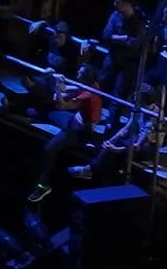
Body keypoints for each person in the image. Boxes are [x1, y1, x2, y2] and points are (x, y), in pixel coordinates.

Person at [26, 67, 107, 204]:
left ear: (86, 78)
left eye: (80, 73)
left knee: (49, 149)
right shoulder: (91, 85)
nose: (77, 73)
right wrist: (57, 79)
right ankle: (22, 109)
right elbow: (69, 89)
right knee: (40, 112)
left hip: (79, 131)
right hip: (73, 121)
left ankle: (43, 185)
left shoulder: (87, 95)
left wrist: (57, 88)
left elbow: (62, 105)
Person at [99, 0, 147, 102]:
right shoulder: (115, 16)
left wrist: (116, 39)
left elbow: (136, 44)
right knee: (101, 84)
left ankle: (112, 119)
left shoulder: (140, 20)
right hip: (112, 58)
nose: (114, 4)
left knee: (119, 94)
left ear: (126, 4)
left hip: (128, 64)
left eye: (117, 2)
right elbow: (106, 36)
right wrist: (124, 38)